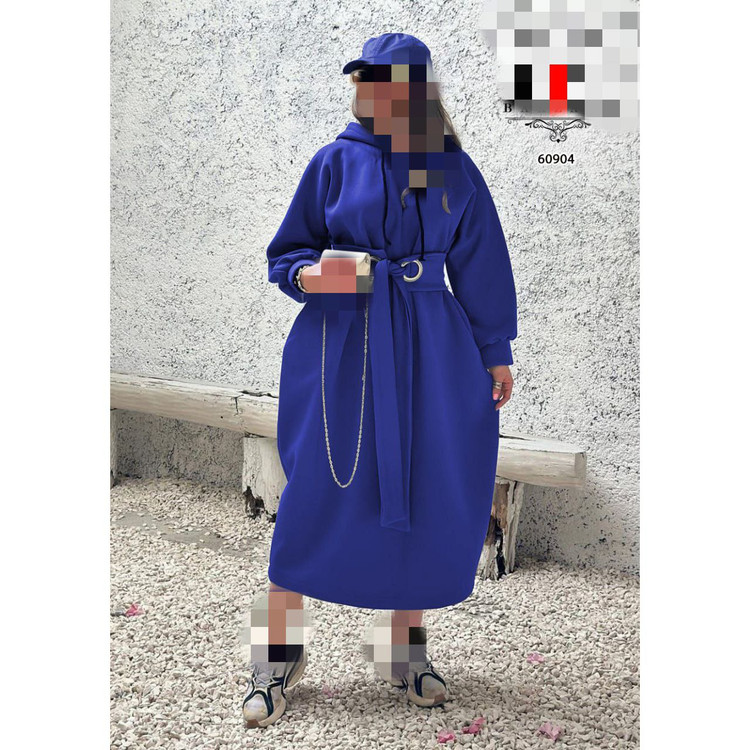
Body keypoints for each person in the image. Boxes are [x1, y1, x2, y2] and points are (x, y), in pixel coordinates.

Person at [243, 33, 517, 728]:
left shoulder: (452, 169)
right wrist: (316, 276)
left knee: (423, 490)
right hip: (339, 345)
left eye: (379, 81)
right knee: (313, 493)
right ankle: (274, 655)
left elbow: (481, 261)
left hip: (433, 350)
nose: (365, 91)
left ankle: (402, 649)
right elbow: (287, 255)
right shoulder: (333, 162)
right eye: (361, 80)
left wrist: (495, 350)